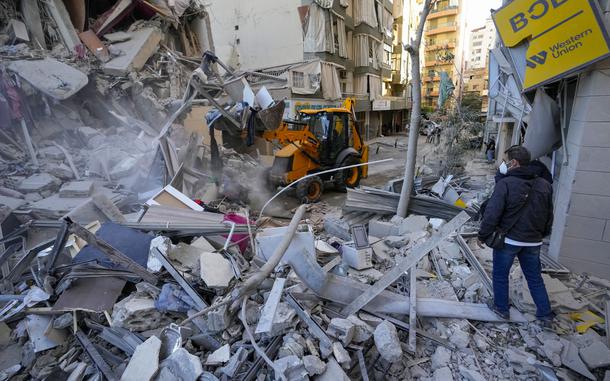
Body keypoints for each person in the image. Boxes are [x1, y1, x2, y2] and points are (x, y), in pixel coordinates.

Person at [478, 146, 554, 325]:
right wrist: (541, 235)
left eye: (506, 161)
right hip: (533, 242)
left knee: (500, 275)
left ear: (514, 163)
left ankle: (501, 309)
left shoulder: (506, 184)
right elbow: (549, 215)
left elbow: (492, 212)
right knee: (535, 278)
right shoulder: (544, 184)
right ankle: (545, 314)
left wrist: (483, 235)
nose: (503, 164)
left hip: (509, 240)